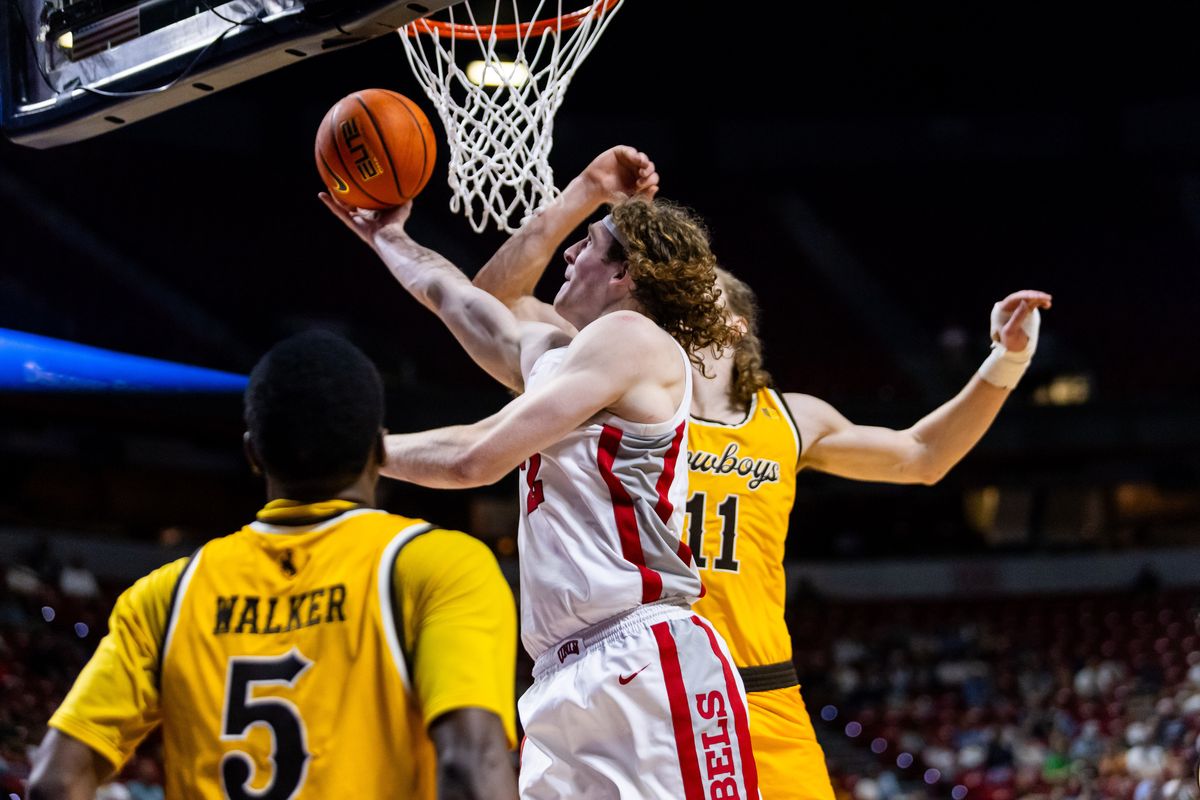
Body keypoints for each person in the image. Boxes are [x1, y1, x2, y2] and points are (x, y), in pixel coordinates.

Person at [468, 171, 1053, 797]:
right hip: (645, 684)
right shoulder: (619, 393)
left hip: (761, 693)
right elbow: (496, 300)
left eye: (698, 293)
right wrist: (586, 194)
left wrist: (1006, 362)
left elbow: (921, 455)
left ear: (731, 325)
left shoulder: (788, 419)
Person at [320, 148, 760, 799]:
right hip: (560, 677)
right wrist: (390, 237)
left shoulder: (635, 341)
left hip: (644, 657)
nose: (567, 256)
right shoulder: (560, 356)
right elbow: (460, 297)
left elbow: (479, 455)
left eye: (584, 246)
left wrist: (352, 454)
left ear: (626, 274)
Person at [27, 331, 518, 800]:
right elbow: (471, 766)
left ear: (253, 453)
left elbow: (54, 781)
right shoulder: (440, 568)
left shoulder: (166, 595)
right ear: (380, 449)